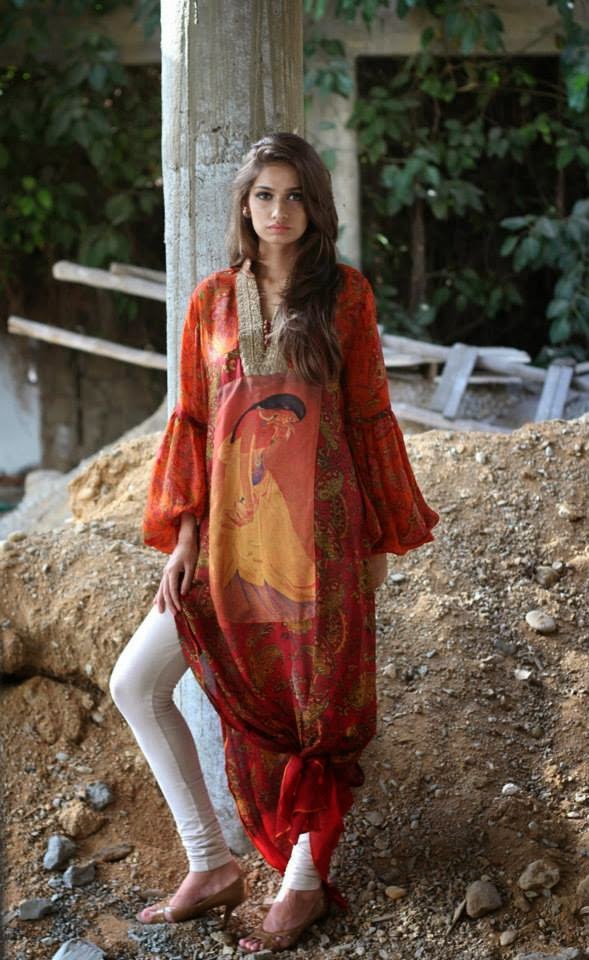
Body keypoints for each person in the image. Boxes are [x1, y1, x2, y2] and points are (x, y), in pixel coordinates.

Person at [109, 131, 439, 953]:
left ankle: (301, 884)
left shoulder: (346, 297)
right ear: (245, 205)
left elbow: (367, 416)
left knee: (316, 719)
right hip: (226, 548)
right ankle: (208, 861)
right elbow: (193, 423)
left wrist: (377, 538)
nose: (278, 211)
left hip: (322, 546)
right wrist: (184, 535)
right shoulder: (211, 302)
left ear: (314, 205)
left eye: (294, 196)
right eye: (264, 195)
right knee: (135, 682)